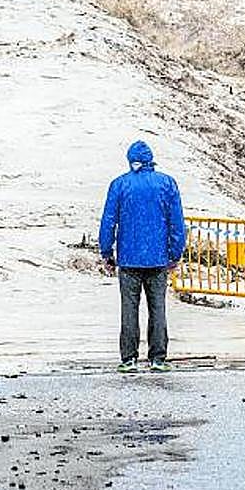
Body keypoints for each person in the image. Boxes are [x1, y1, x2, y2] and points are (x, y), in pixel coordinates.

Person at [99, 140, 186, 373]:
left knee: (129, 308)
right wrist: (175, 253)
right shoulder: (167, 183)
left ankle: (128, 359)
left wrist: (107, 252)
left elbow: (108, 221)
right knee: (158, 308)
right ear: (151, 160)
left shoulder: (119, 185)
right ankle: (158, 358)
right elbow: (177, 223)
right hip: (158, 259)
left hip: (128, 259)